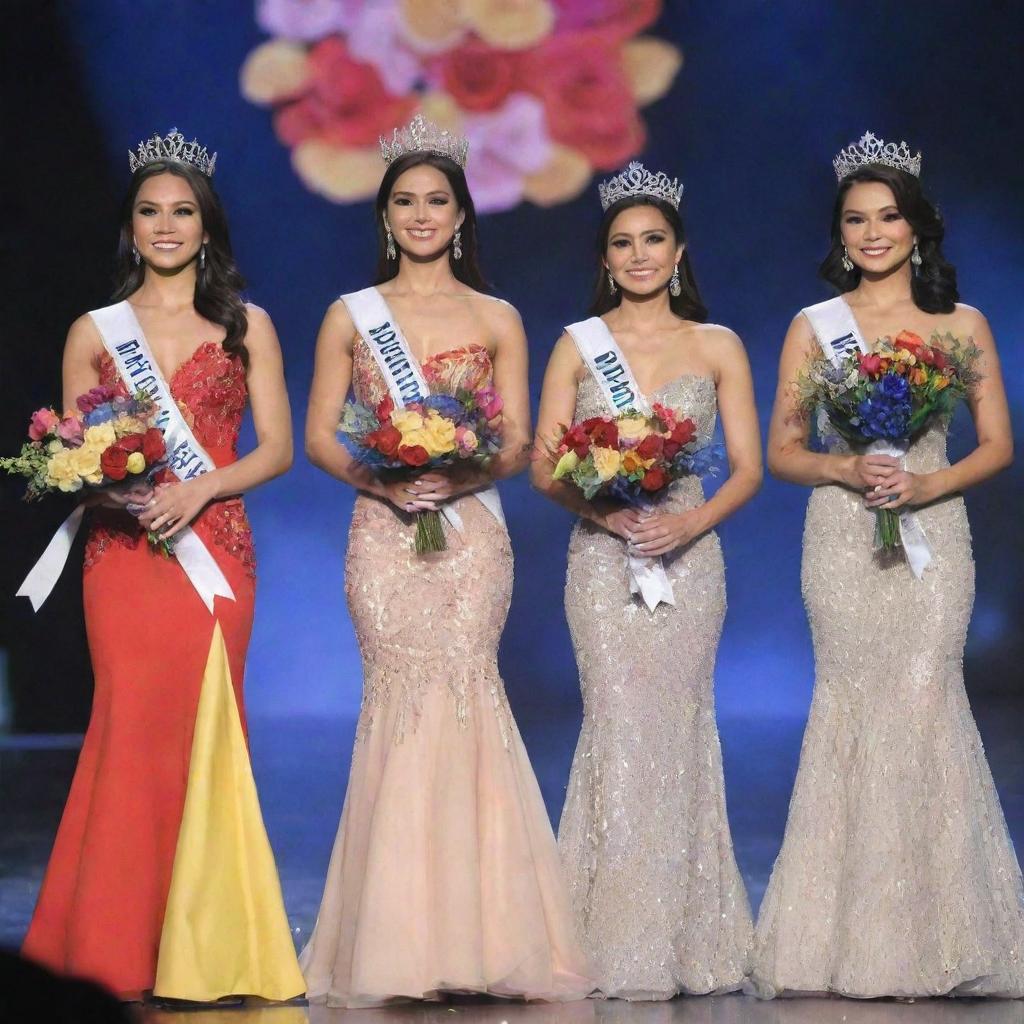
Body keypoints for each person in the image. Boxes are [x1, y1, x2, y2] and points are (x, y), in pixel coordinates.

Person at [300, 114, 593, 1008]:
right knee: (397, 703)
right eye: (404, 202)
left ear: (462, 214)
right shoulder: (351, 315)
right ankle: (397, 942)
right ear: (385, 216)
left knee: (467, 698)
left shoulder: (496, 315)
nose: (421, 215)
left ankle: (484, 937)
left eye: (436, 201)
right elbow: (317, 435)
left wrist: (448, 471)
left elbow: (513, 442)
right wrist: (389, 485)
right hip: (383, 535)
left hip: (469, 535)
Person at [21, 129, 303, 1003]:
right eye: (151, 212)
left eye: (183, 212)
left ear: (207, 227)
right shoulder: (94, 332)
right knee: (132, 730)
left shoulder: (247, 324)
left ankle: (208, 950)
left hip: (215, 552)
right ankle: (114, 947)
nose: (167, 226)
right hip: (126, 557)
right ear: (131, 227)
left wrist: (202, 486)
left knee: (209, 734)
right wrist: (114, 492)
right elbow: (74, 452)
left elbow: (279, 450)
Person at [748, 131, 1023, 998]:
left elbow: (999, 446)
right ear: (840, 235)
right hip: (841, 536)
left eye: (887, 217)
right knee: (851, 712)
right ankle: (844, 943)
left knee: (925, 701)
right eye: (856, 220)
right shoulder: (813, 328)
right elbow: (783, 450)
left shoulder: (959, 323)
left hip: (934, 538)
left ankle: (942, 936)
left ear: (916, 228)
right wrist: (843, 466)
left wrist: (930, 480)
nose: (872, 233)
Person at [531, 162, 761, 999]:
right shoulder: (576, 344)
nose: (638, 255)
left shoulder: (717, 345)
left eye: (652, 239)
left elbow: (747, 468)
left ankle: (689, 939)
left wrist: (687, 523)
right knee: (620, 732)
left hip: (692, 560)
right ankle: (605, 939)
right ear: (606, 257)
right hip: (603, 563)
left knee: (681, 733)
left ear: (678, 250)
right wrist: (610, 517)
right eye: (622, 243)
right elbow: (543, 462)